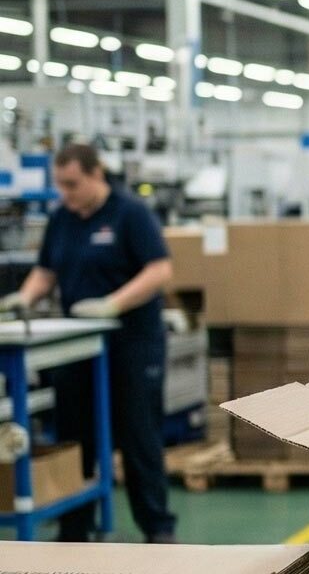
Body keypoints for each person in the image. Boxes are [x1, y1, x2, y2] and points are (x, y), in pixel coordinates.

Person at [0, 144, 177, 543]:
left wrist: (114, 303)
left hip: (132, 342)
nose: (66, 192)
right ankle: (75, 528)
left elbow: (159, 269)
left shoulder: (129, 213)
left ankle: (158, 527)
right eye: (60, 185)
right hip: (78, 344)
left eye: (72, 184)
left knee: (138, 436)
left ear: (96, 174)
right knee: (76, 435)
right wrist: (24, 298)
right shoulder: (62, 218)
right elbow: (45, 272)